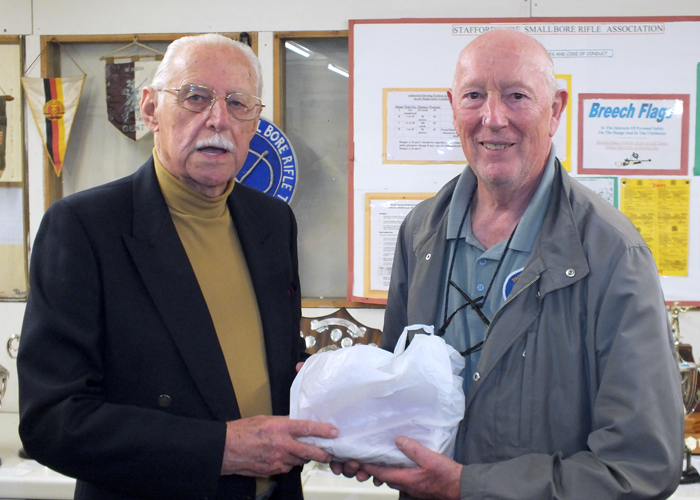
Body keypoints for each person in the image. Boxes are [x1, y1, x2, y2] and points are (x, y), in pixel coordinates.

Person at [333, 29, 684, 499]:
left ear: (555, 109)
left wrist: (468, 486)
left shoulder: (613, 254)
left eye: (517, 96)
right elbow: (401, 397)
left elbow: (642, 467)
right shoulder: (420, 231)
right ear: (452, 105)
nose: (492, 119)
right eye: (474, 96)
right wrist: (345, 413)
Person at [17, 33, 338, 500]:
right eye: (195, 97)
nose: (218, 119)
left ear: (255, 122)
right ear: (150, 110)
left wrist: (339, 399)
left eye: (239, 103)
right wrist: (220, 448)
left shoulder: (272, 222)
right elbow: (53, 420)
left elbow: (269, 370)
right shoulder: (84, 228)